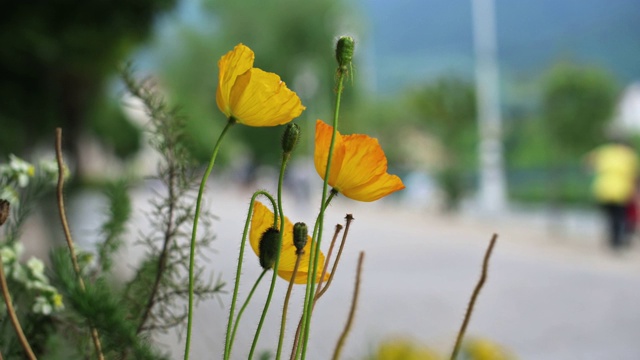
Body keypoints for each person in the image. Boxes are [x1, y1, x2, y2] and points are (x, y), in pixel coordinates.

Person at [586, 138, 639, 249]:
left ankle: (613, 239)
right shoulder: (629, 156)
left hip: (604, 189)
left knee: (610, 216)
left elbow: (588, 161)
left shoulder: (606, 152)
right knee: (620, 216)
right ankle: (617, 240)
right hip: (621, 190)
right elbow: (635, 175)